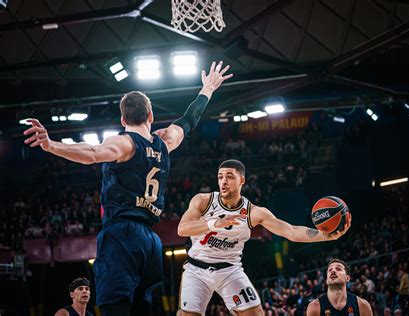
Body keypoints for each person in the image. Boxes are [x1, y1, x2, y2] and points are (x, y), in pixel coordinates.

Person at [23, 61, 233, 316]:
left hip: (121, 234)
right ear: (151, 116)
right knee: (141, 308)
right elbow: (188, 120)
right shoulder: (165, 141)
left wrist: (51, 145)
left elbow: (91, 153)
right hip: (150, 240)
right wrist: (207, 89)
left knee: (115, 308)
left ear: (123, 119)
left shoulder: (123, 143)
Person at [177, 159, 352, 315]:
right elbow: (182, 229)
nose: (223, 181)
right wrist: (214, 224)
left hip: (229, 270)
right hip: (196, 269)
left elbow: (291, 232)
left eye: (229, 176)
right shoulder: (203, 201)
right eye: (220, 176)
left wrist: (326, 236)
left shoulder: (253, 212)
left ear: (242, 180)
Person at [306, 259, 372, 316]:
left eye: (338, 269)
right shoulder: (315, 307)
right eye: (330, 270)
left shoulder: (362, 305)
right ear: (326, 280)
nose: (333, 271)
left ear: (347, 278)